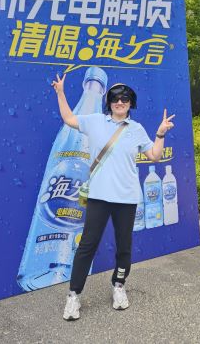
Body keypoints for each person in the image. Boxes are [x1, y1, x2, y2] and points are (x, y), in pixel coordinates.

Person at [51, 73, 175, 321]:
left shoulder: (136, 129)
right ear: (109, 101)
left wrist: (160, 134)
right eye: (116, 98)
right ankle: (73, 295)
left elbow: (154, 156)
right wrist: (60, 93)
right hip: (98, 196)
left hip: (127, 198)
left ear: (131, 103)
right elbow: (68, 119)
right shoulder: (95, 121)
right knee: (87, 246)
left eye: (125, 98)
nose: (120, 102)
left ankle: (119, 285)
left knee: (124, 246)